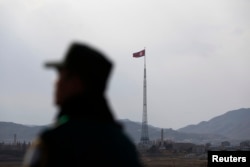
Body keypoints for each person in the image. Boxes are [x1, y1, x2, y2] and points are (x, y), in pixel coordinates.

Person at [22, 42, 144, 167]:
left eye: (61, 76)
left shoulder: (53, 144)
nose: (56, 83)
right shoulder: (124, 146)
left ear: (75, 83)